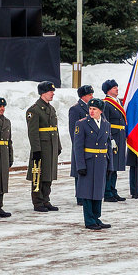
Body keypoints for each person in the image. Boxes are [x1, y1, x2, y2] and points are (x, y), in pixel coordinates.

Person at [74, 99, 113, 230]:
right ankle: (89, 220)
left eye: (94, 109)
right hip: (89, 161)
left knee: (98, 191)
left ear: (100, 111)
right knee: (87, 192)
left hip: (102, 161)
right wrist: (80, 166)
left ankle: (96, 217)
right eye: (90, 108)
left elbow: (108, 146)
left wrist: (110, 165)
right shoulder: (82, 124)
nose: (91, 111)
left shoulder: (106, 124)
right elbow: (78, 147)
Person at [27, 81, 61, 212]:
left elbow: (54, 129)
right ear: (42, 93)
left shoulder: (51, 109)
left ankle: (46, 199)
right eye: (50, 91)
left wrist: (58, 145)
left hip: (51, 146)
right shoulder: (34, 110)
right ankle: (38, 201)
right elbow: (33, 132)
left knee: (48, 174)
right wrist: (36, 150)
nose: (52, 93)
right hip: (41, 147)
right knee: (38, 175)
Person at [100, 79, 130, 200]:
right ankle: (107, 192)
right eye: (114, 88)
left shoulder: (118, 102)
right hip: (113, 136)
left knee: (116, 165)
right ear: (108, 90)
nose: (117, 89)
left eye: (117, 87)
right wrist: (110, 138)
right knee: (110, 167)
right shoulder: (105, 103)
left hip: (120, 136)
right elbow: (105, 121)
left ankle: (113, 189)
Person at [68, 85, 92, 206]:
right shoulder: (76, 109)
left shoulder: (91, 108)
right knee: (80, 172)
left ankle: (87, 195)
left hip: (91, 145)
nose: (91, 96)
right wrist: (78, 146)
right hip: (81, 145)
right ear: (83, 96)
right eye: (89, 95)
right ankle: (80, 196)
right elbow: (73, 130)